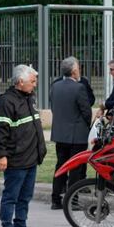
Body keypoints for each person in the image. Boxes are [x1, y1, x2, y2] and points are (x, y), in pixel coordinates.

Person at [0, 64, 47, 227]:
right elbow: (1, 131)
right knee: (11, 197)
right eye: (32, 81)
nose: (35, 84)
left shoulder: (28, 98)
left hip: (31, 158)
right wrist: (1, 155)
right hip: (16, 158)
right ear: (20, 82)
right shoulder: (6, 101)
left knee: (25, 197)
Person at [49, 56, 92, 210]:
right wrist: (87, 126)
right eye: (78, 68)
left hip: (60, 133)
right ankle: (73, 200)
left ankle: (55, 198)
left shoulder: (55, 86)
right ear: (74, 71)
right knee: (76, 168)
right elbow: (86, 112)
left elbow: (54, 107)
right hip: (77, 134)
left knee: (61, 165)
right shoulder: (79, 88)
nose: (79, 71)